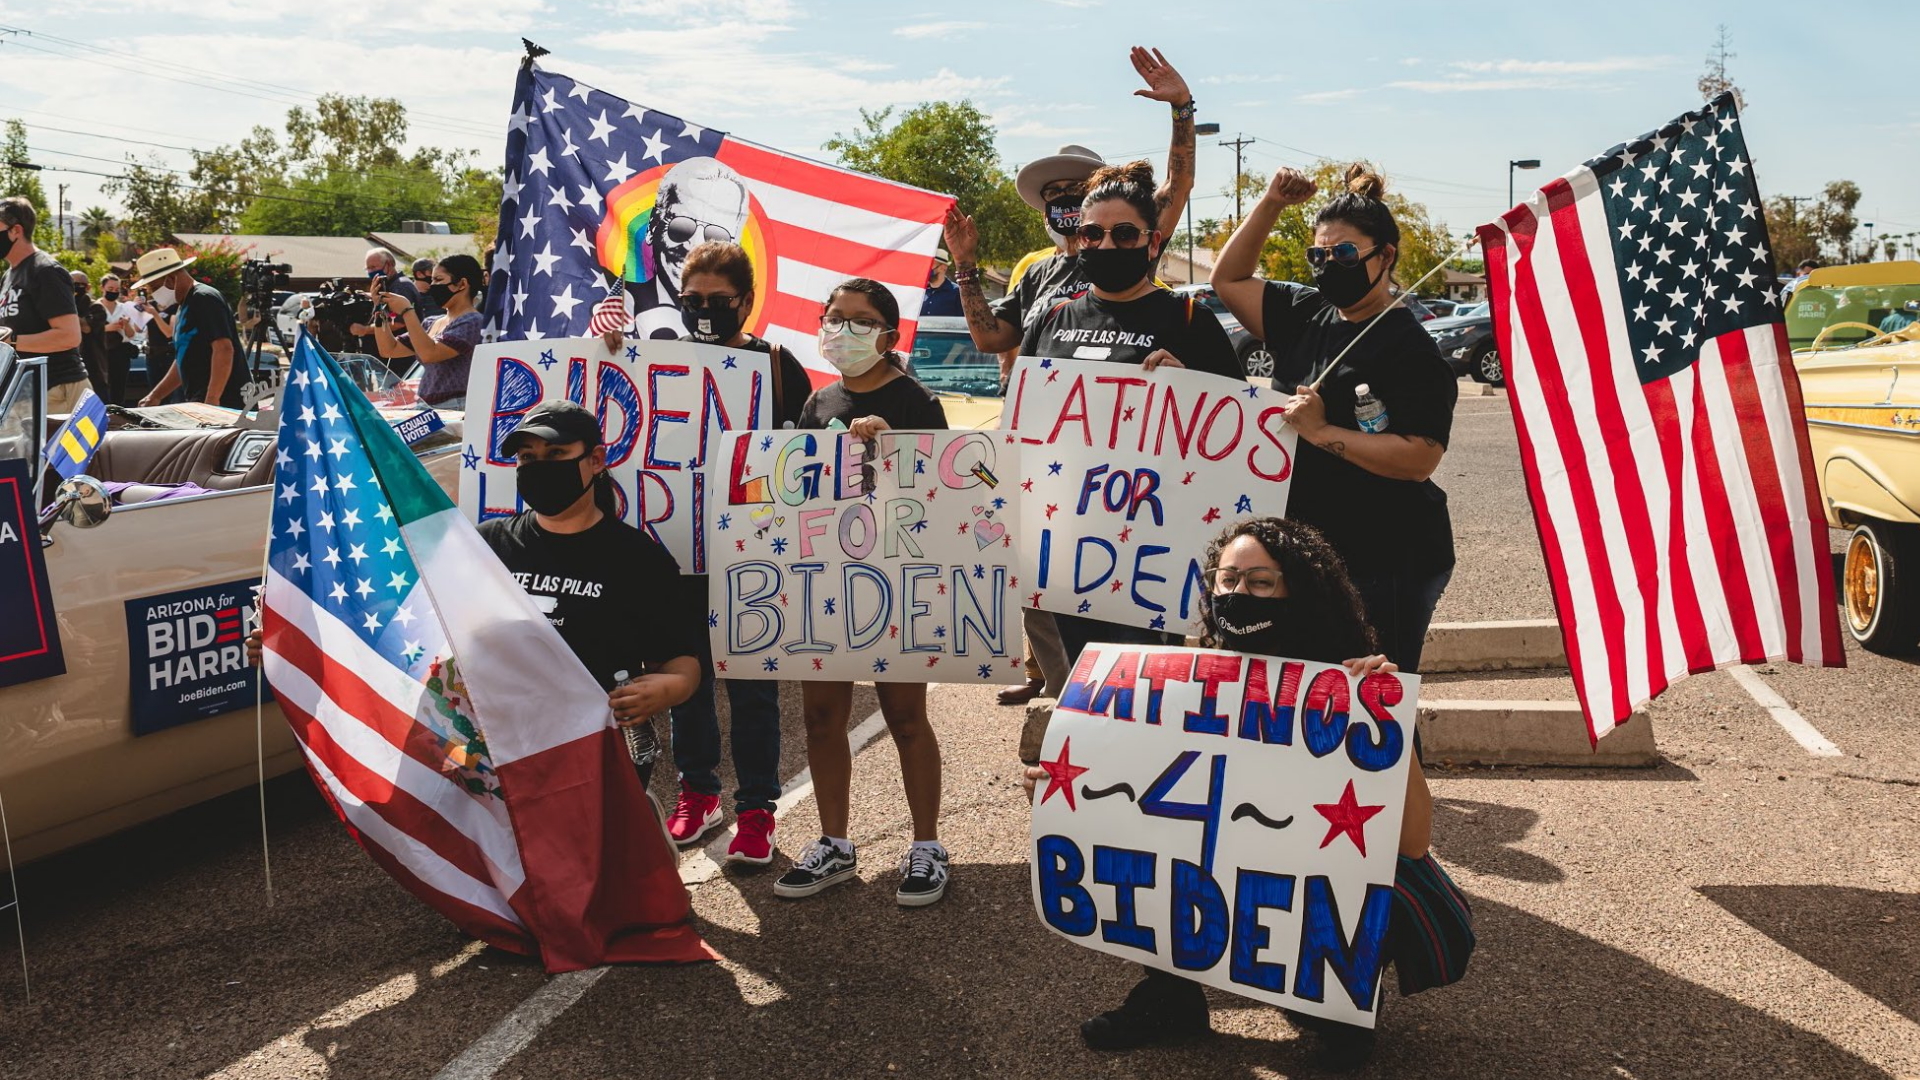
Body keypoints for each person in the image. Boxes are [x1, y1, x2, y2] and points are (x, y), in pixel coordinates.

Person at [1024, 517, 1474, 1067]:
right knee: (1164, 857)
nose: (1239, 595)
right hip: (1228, 862)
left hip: (1315, 872)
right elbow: (1139, 797)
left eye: (1261, 583)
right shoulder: (1182, 683)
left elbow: (1413, 842)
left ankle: (1336, 1006)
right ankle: (1169, 996)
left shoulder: (1350, 686)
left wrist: (1386, 724)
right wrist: (1064, 795)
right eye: (1228, 580)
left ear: (1300, 593)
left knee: (1325, 992)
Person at [248, 399, 704, 801]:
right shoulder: (481, 546)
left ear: (596, 460)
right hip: (493, 747)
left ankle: (640, 831)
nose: (540, 467)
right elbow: (411, 630)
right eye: (528, 457)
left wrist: (663, 690)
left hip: (591, 750)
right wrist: (290, 640)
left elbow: (683, 665)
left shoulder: (638, 559)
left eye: (557, 454)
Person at [1212, 165, 1457, 672]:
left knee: (1372, 688)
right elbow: (1229, 278)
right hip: (1303, 550)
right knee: (1298, 681)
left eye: (1344, 253)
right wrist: (1272, 203)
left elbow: (1419, 457)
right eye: (1318, 255)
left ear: (1384, 255)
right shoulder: (1305, 312)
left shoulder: (1412, 349)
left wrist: (1323, 432)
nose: (1329, 265)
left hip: (1385, 556)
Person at [1020, 159, 1246, 671]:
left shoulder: (1190, 320)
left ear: (1152, 240)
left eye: (1123, 235)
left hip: (1153, 554)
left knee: (1145, 690)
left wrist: (1189, 387)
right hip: (1068, 547)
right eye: (1091, 234)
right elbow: (1024, 428)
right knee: (1085, 684)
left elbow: (1236, 436)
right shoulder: (1054, 318)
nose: (1105, 247)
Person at [773, 277, 953, 908]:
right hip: (827, 585)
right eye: (834, 318)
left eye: (858, 321)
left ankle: (927, 845)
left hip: (896, 586)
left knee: (905, 717)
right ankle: (834, 842)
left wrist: (893, 452)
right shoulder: (817, 403)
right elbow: (796, 492)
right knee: (821, 718)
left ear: (888, 335)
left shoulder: (917, 403)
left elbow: (948, 497)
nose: (841, 331)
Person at [653, 241, 811, 864]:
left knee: (752, 691)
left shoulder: (774, 365)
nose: (704, 311)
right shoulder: (659, 361)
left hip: (752, 553)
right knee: (685, 684)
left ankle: (756, 810)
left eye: (719, 301)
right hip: (676, 553)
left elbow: (809, 449)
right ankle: (697, 790)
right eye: (692, 301)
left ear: (746, 301)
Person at [944, 47, 1197, 380]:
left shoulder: (1123, 249)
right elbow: (991, 337)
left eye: (1074, 189)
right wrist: (963, 261)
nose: (1063, 197)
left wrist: (1181, 109)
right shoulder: (1036, 274)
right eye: (1053, 192)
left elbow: (1177, 185)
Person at [0, 196, 88, 412]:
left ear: (15, 231)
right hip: (25, 392)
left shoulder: (46, 271)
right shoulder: (9, 276)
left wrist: (11, 342)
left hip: (58, 390)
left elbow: (69, 336)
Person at [132, 247, 248, 409]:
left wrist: (212, 400)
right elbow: (182, 359)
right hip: (200, 401)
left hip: (226, 404)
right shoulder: (183, 306)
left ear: (171, 279)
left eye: (153, 287)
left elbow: (223, 349)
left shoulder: (204, 298)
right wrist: (156, 395)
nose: (152, 294)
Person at [370, 254, 485, 411]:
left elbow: (429, 354)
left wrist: (407, 311)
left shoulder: (473, 321)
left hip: (456, 409)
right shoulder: (432, 322)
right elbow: (389, 349)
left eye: (438, 280)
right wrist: (380, 309)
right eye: (432, 280)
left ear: (462, 284)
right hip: (428, 407)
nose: (432, 286)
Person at [351, 248, 420, 372]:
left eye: (374, 267)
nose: (371, 272)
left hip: (400, 359)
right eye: (368, 268)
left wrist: (364, 330)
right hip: (389, 360)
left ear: (389, 264)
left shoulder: (400, 286)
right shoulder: (388, 285)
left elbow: (398, 322)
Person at [99, 273, 143, 405]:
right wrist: (108, 328)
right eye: (110, 289)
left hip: (120, 353)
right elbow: (88, 331)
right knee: (101, 388)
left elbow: (131, 335)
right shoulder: (95, 307)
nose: (113, 292)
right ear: (102, 288)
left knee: (119, 389)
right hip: (101, 353)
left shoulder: (124, 308)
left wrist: (126, 324)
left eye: (117, 290)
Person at [73, 271, 113, 403]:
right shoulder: (67, 305)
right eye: (72, 284)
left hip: (94, 367)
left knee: (98, 405)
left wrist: (68, 313)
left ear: (88, 287)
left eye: (79, 285)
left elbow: (87, 328)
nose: (75, 288)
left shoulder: (96, 307)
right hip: (73, 367)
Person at [919, 250, 962, 317]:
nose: (927, 268)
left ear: (943, 268)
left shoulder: (957, 292)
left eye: (930, 264)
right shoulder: (921, 291)